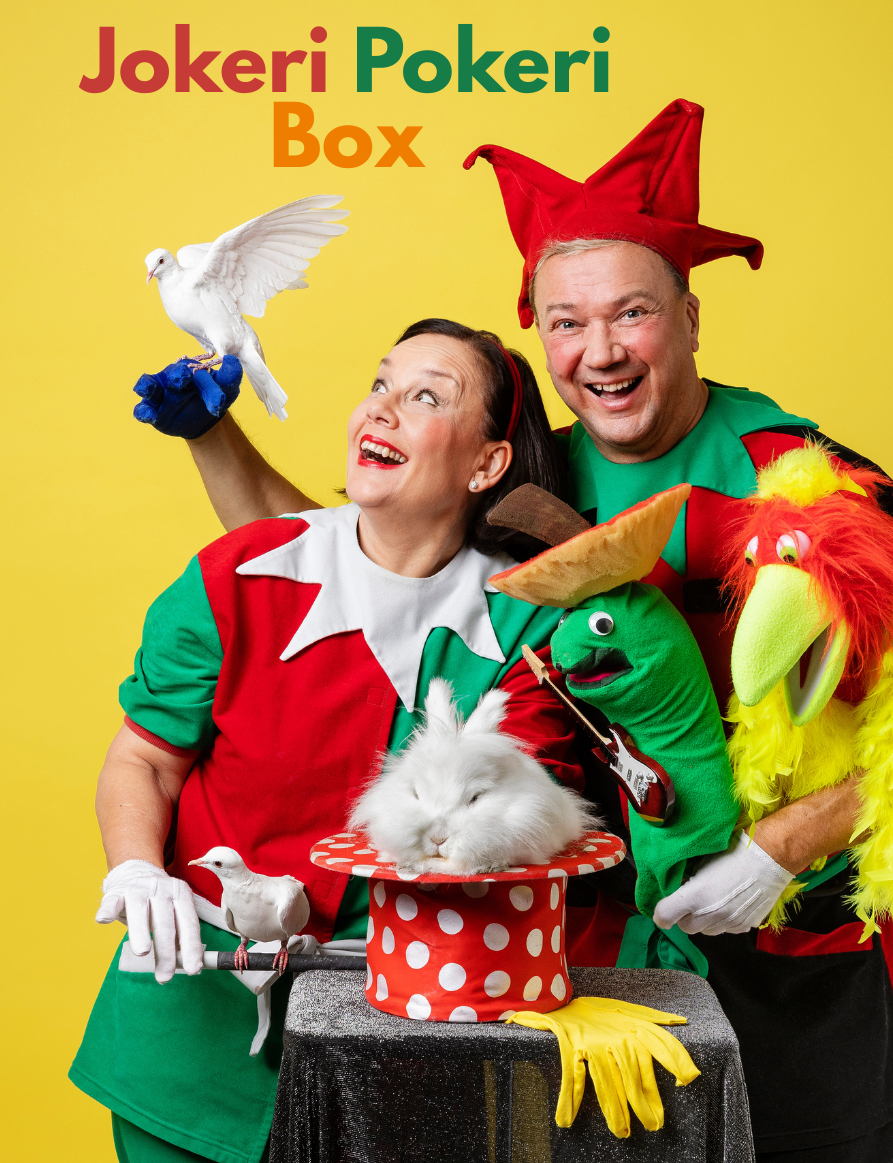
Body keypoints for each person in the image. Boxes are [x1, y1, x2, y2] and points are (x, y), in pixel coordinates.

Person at [149, 104, 893, 1162]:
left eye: (630, 314)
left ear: (690, 317)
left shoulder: (812, 475)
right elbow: (353, 560)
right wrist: (212, 431)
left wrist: (775, 854)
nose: (599, 350)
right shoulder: (529, 474)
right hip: (578, 953)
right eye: (566, 321)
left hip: (795, 958)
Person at [70, 319, 590, 1163]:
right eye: (379, 383)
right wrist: (134, 866)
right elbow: (145, 758)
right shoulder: (234, 575)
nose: (379, 409)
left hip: (406, 1036)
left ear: (487, 464)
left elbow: (513, 825)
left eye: (426, 396)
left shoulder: (531, 632)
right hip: (191, 1029)